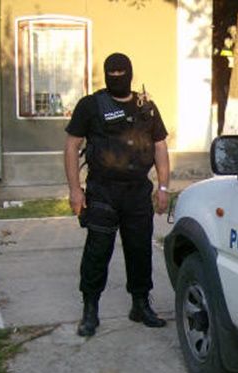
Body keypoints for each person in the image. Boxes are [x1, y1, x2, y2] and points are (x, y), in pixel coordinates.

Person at [64, 52, 170, 337]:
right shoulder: (90, 105)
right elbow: (72, 145)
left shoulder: (146, 107)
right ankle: (90, 310)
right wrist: (75, 190)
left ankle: (140, 305)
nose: (117, 78)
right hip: (103, 191)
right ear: (106, 74)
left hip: (137, 192)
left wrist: (163, 187)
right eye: (112, 74)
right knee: (97, 251)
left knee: (140, 250)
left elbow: (160, 146)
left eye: (122, 73)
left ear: (131, 74)